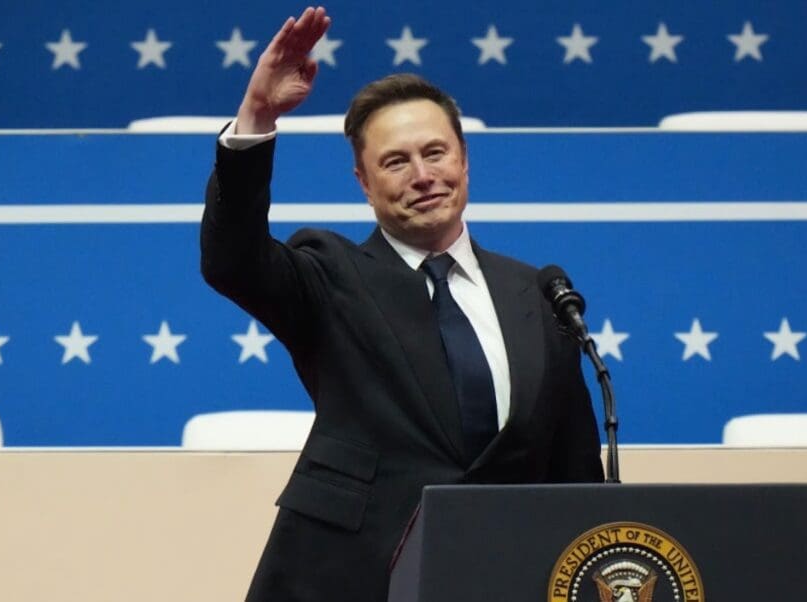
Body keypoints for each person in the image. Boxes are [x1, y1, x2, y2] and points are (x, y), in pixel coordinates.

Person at [200, 6, 603, 602]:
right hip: (349, 579)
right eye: (395, 161)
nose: (422, 175)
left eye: (435, 152)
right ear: (364, 183)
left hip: (504, 575)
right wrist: (257, 116)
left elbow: (574, 470)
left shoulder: (538, 295)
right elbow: (231, 260)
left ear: (464, 160)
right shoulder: (330, 274)